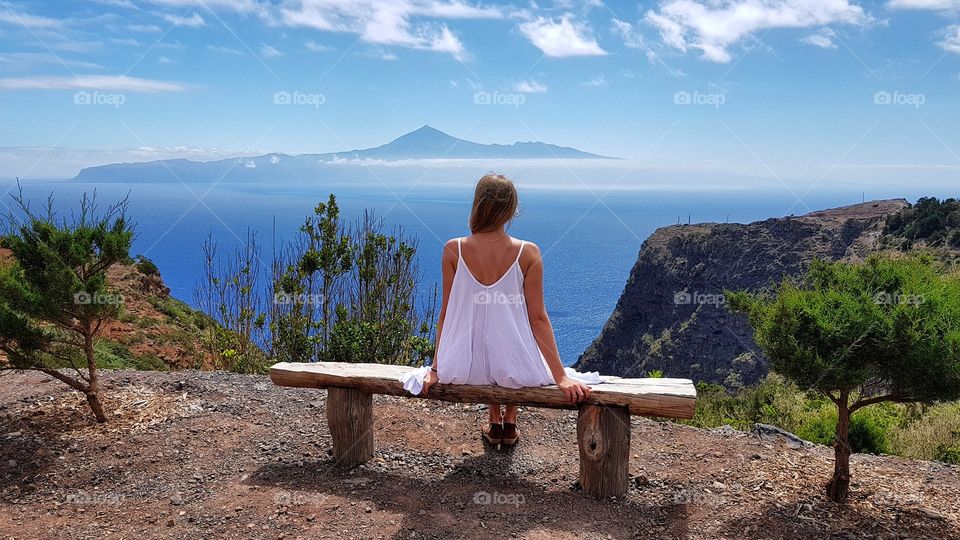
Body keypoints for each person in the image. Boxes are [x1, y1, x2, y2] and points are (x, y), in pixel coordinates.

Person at [401, 173, 599, 447]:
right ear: (510, 210)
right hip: (515, 370)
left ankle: (495, 422)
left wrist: (436, 368)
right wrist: (561, 377)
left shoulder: (453, 249)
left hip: (462, 367)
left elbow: (445, 314)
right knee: (510, 341)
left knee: (488, 340)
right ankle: (510, 422)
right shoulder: (528, 253)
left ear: (478, 205)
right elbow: (538, 318)